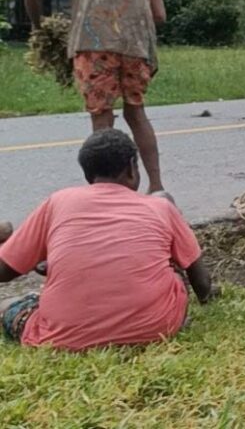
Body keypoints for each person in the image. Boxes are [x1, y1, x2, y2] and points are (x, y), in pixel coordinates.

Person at [0, 129, 217, 350]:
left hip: (62, 338)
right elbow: (202, 283)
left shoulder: (58, 202)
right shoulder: (162, 207)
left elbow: (4, 272)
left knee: (9, 306)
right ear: (132, 168)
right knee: (173, 271)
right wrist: (207, 299)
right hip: (155, 329)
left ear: (87, 176)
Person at [24, 0, 169, 197]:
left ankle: (104, 193)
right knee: (136, 113)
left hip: (93, 48)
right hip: (136, 48)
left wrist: (39, 27)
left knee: (102, 117)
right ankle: (156, 186)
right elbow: (160, 15)